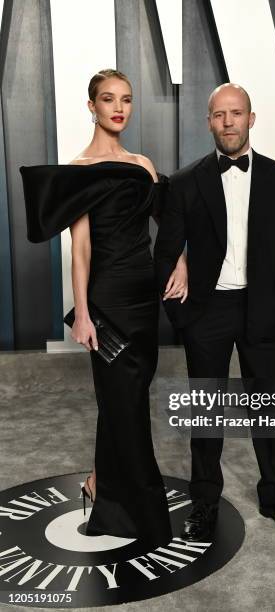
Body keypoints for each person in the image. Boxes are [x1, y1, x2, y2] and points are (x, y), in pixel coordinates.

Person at [20, 69, 187, 547]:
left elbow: (168, 224)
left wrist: (183, 265)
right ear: (90, 106)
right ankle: (144, 515)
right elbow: (81, 250)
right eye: (109, 99)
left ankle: (99, 482)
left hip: (144, 296)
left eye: (127, 100)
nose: (119, 108)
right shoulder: (77, 170)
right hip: (108, 299)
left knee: (124, 400)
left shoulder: (143, 163)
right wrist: (84, 313)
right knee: (127, 404)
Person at [154, 83, 275, 540]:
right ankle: (205, 504)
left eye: (236, 113)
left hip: (262, 309)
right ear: (208, 121)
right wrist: (181, 306)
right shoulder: (185, 182)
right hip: (205, 312)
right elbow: (165, 251)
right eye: (219, 115)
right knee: (207, 415)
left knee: (268, 413)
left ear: (251, 118)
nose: (228, 122)